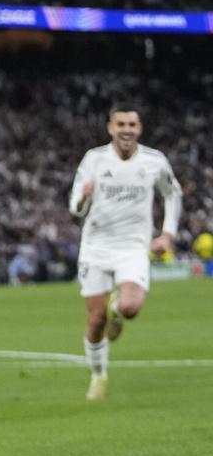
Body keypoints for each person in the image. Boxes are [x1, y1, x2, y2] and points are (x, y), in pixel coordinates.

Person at [68, 102, 181, 401]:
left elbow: (173, 194)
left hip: (133, 245)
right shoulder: (94, 159)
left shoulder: (155, 161)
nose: (127, 130)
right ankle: (98, 375)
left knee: (130, 307)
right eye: (121, 125)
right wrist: (84, 198)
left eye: (132, 125)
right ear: (111, 128)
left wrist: (167, 234)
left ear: (139, 129)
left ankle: (117, 310)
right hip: (96, 246)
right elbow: (75, 208)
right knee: (95, 321)